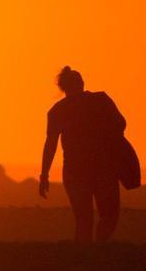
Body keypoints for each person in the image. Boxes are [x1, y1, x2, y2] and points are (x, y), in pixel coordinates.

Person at [39, 66, 128, 243]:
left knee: (83, 220)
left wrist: (44, 174)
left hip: (74, 171)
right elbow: (121, 124)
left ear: (63, 87)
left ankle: (84, 256)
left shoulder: (57, 110)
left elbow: (51, 145)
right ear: (81, 83)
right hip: (103, 168)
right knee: (109, 216)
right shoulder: (101, 100)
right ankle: (98, 250)